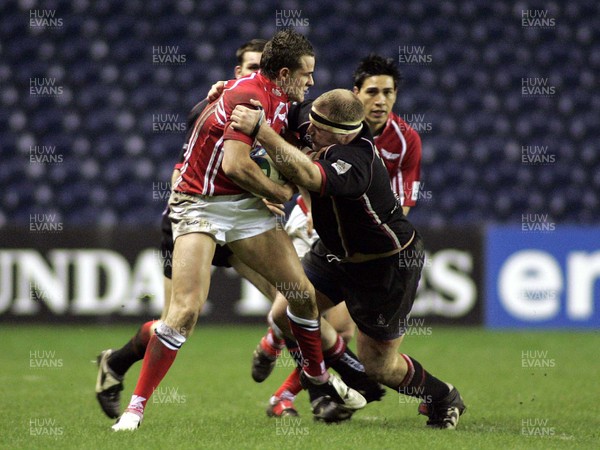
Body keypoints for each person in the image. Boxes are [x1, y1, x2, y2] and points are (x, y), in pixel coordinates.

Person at [97, 39, 381, 425]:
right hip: (200, 205)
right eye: (306, 73)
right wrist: (278, 192)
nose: (312, 80)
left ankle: (316, 377)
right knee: (183, 315)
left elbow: (294, 147)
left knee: (299, 296)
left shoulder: (281, 103)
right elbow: (234, 164)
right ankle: (133, 409)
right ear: (284, 75)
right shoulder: (249, 98)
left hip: (246, 209)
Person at [229, 89, 466, 429]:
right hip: (334, 254)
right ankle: (327, 385)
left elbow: (310, 176)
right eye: (310, 123)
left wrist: (260, 131)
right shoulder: (319, 119)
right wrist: (228, 92)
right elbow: (279, 107)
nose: (309, 131)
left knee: (380, 365)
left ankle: (442, 396)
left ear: (342, 133)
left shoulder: (357, 160)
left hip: (384, 265)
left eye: (318, 130)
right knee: (285, 312)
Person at [252, 54, 424, 416]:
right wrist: (311, 207)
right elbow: (303, 162)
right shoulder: (321, 118)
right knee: (313, 316)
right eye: (372, 92)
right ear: (354, 94)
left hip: (365, 239)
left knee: (331, 328)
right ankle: (314, 386)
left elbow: (402, 202)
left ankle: (302, 388)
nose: (380, 100)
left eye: (389, 93)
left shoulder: (406, 140)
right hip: (316, 223)